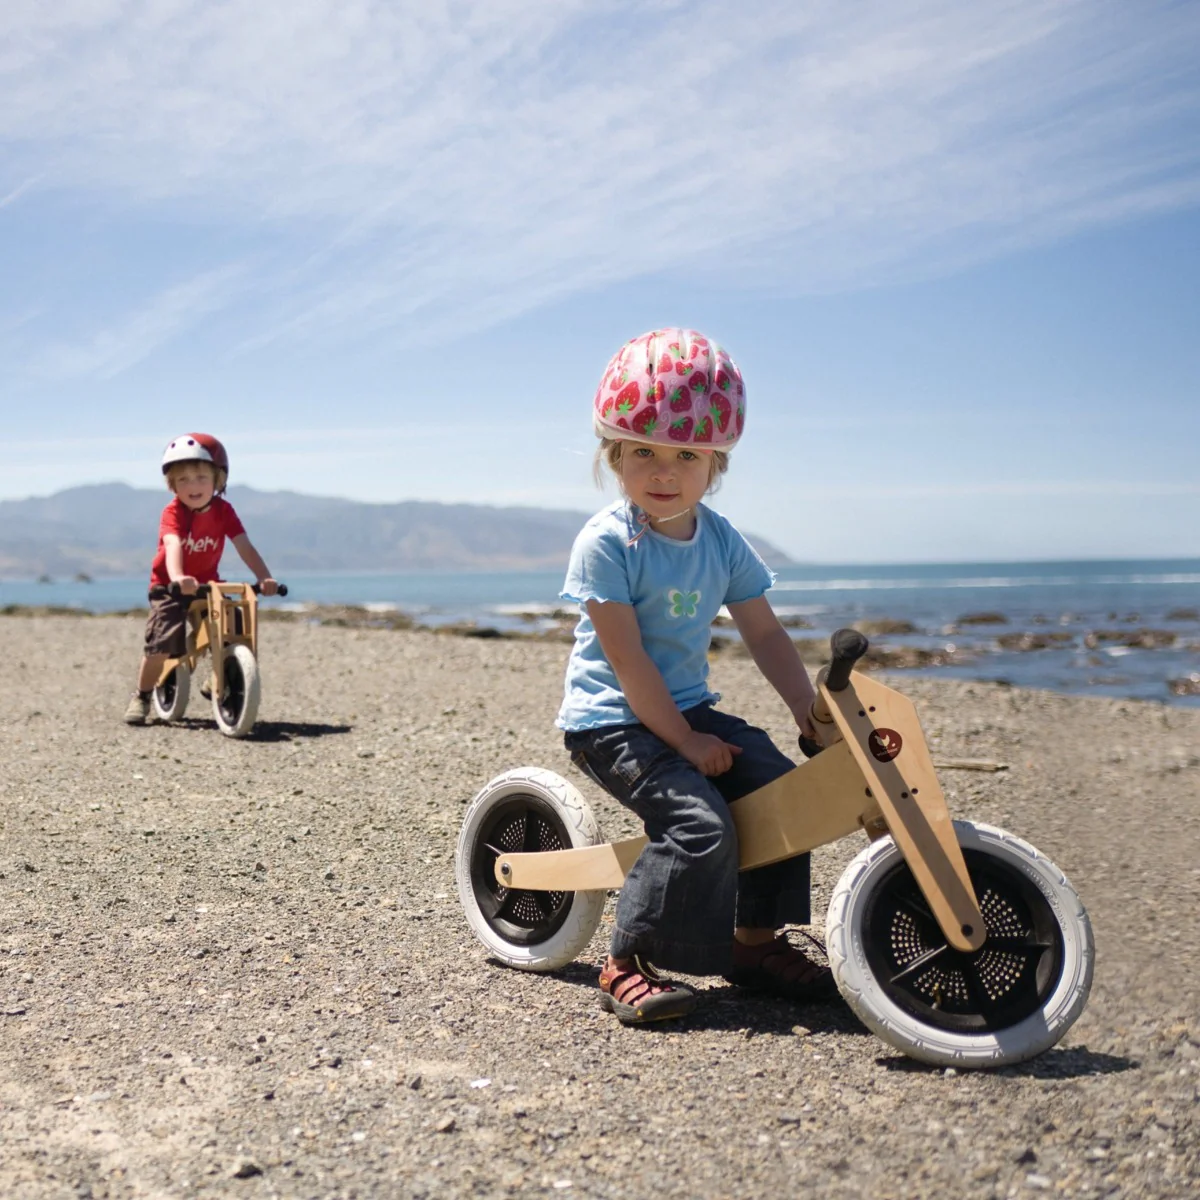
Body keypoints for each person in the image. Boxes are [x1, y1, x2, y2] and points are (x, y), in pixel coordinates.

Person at [558, 328, 836, 1023]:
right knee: (699, 822)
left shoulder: (719, 539)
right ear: (613, 455)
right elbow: (628, 661)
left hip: (683, 709)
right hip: (614, 719)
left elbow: (764, 631)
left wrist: (808, 709)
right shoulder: (606, 544)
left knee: (782, 790)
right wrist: (684, 743)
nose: (664, 470)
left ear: (715, 462)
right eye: (643, 452)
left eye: (686, 454)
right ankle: (627, 959)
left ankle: (753, 943)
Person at [123, 433, 278, 725]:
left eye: (200, 477)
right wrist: (179, 576)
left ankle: (222, 670)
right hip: (168, 587)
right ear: (173, 485)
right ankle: (142, 696)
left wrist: (264, 577)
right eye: (183, 480)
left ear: (218, 479)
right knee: (162, 641)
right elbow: (173, 545)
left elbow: (244, 545)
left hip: (208, 584)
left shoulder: (224, 511)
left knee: (232, 621)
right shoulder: (173, 512)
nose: (192, 486)